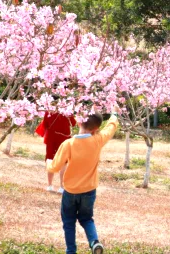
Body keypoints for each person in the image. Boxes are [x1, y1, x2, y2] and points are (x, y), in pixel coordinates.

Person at [47, 104, 120, 254]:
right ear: (96, 129)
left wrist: (48, 163)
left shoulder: (69, 144)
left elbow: (54, 167)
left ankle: (71, 251)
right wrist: (114, 114)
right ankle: (94, 242)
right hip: (89, 190)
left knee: (68, 222)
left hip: (70, 191)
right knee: (87, 219)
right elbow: (110, 128)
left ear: (79, 122)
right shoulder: (97, 140)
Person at [42, 111, 76, 193]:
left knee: (50, 159)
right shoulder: (68, 111)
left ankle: (49, 185)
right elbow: (73, 123)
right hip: (64, 138)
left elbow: (45, 124)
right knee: (64, 162)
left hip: (51, 138)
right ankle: (62, 187)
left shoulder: (49, 111)